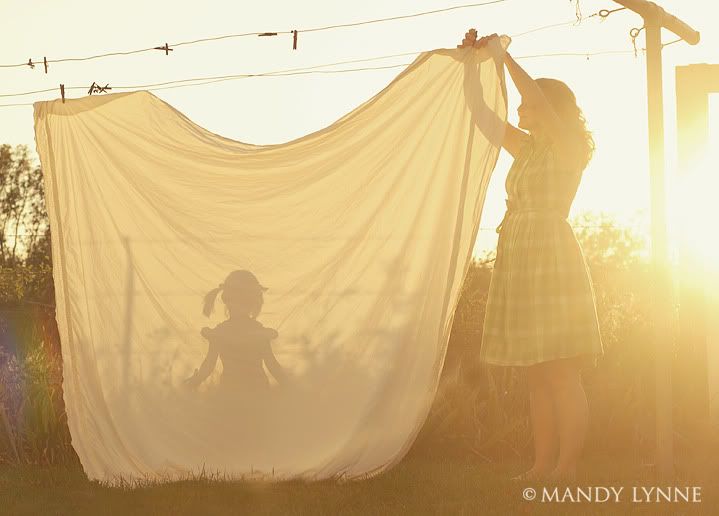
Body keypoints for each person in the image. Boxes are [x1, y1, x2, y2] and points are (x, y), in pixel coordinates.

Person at [458, 30, 604, 482]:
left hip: (551, 256)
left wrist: (507, 58)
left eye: (529, 102)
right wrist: (472, 66)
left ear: (550, 108)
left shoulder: (568, 147)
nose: (520, 107)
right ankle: (541, 466)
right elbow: (482, 115)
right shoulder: (526, 148)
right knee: (536, 375)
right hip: (520, 256)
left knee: (561, 370)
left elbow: (531, 92)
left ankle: (567, 466)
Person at [184, 270, 288, 398]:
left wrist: (194, 382)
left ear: (226, 301)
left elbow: (209, 365)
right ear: (253, 303)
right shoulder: (258, 332)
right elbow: (272, 365)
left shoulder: (221, 332)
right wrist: (289, 385)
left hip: (230, 395)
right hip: (257, 396)